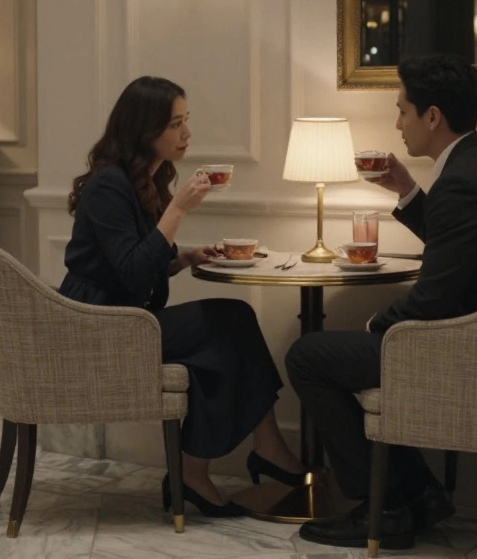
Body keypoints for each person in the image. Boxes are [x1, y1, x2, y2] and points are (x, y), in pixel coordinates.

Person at [286, 54, 477, 549]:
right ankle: (419, 494)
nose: (398, 123)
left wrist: (376, 325)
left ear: (432, 117)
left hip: (475, 352)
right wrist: (407, 191)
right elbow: (459, 253)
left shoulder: (463, 182)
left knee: (309, 356)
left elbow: (433, 298)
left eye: (403, 110)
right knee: (340, 354)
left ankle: (382, 506)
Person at [61, 76, 305, 517]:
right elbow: (133, 273)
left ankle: (208, 467)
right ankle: (235, 458)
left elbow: (133, 259)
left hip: (127, 315)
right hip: (100, 325)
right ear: (143, 129)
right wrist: (178, 211)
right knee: (229, 323)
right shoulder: (108, 186)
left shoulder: (142, 179)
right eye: (175, 125)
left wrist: (184, 257)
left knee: (224, 338)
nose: (187, 134)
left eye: (185, 122)